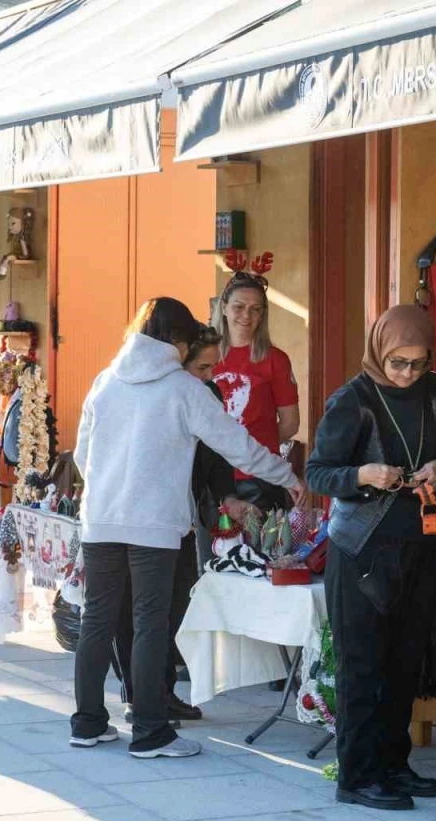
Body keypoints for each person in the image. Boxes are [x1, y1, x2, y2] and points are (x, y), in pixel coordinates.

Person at [71, 297, 303, 759]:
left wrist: (107, 492)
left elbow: (82, 455)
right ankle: (151, 732)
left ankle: (88, 723)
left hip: (100, 519)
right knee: (150, 623)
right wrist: (287, 475)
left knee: (96, 620)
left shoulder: (105, 380)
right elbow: (237, 445)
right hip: (154, 524)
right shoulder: (183, 388)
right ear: (177, 341)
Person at [304, 304, 436, 811]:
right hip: (363, 549)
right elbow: (317, 473)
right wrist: (362, 476)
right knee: (363, 664)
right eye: (397, 363)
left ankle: (393, 763)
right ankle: (357, 775)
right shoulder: (353, 399)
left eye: (417, 363)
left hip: (421, 544)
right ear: (378, 352)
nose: (408, 374)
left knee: (405, 661)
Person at [111, 326, 256, 726]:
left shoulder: (206, 393)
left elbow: (218, 449)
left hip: (180, 516)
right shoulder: (136, 387)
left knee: (175, 607)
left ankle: (163, 691)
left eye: (214, 367)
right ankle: (137, 695)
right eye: (203, 366)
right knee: (133, 609)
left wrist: (226, 494)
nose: (210, 376)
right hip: (130, 514)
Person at [212, 269, 301, 512]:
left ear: (263, 314)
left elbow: (290, 424)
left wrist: (256, 448)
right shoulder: (205, 357)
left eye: (255, 309)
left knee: (258, 550)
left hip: (259, 477)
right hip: (211, 476)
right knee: (212, 549)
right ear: (224, 307)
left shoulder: (276, 360)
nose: (246, 315)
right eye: (239, 307)